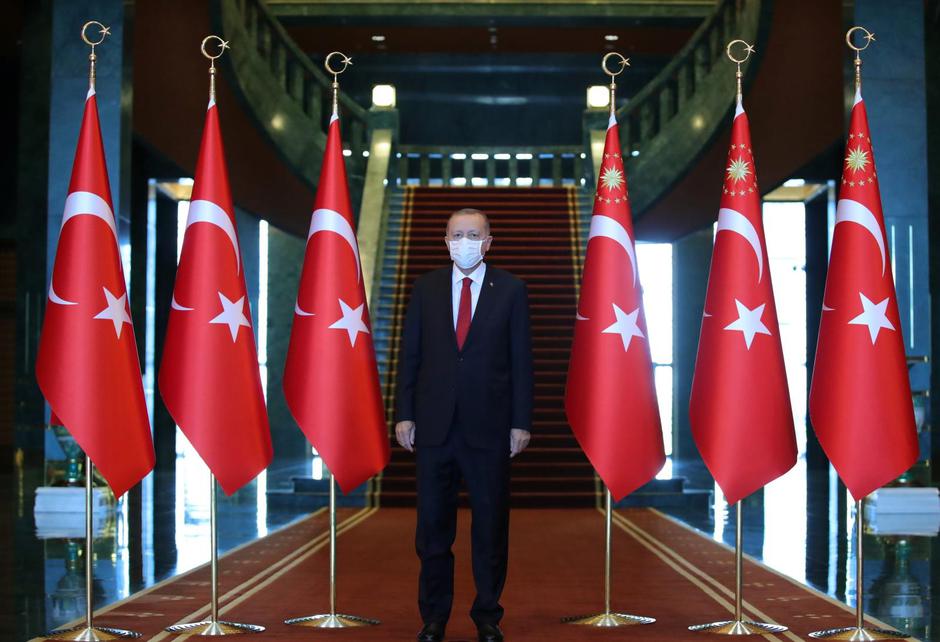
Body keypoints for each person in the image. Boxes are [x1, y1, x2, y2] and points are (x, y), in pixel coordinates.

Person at [395, 207, 534, 642]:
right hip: (434, 427)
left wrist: (521, 422)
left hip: (489, 428)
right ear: (446, 241)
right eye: (457, 235)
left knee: (490, 526)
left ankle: (488, 615)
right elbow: (410, 355)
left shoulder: (511, 289)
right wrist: (404, 413)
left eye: (474, 235)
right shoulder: (425, 288)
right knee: (432, 530)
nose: (465, 242)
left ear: (488, 241)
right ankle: (433, 617)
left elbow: (521, 361)